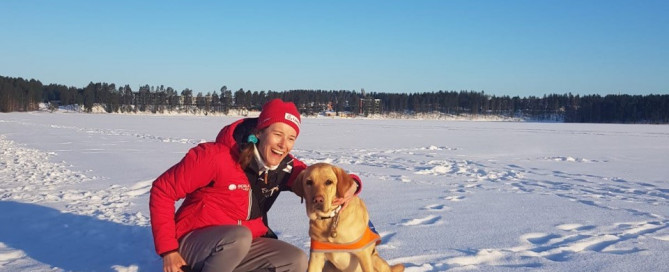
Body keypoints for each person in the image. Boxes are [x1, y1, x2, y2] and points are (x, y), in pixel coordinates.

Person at [150, 99, 361, 272]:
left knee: (295, 259)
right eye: (277, 134)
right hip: (195, 242)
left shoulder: (284, 167)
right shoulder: (214, 157)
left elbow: (317, 177)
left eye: (291, 138)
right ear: (260, 132)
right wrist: (169, 251)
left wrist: (350, 184)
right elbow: (162, 190)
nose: (283, 145)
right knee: (238, 237)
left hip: (242, 244)